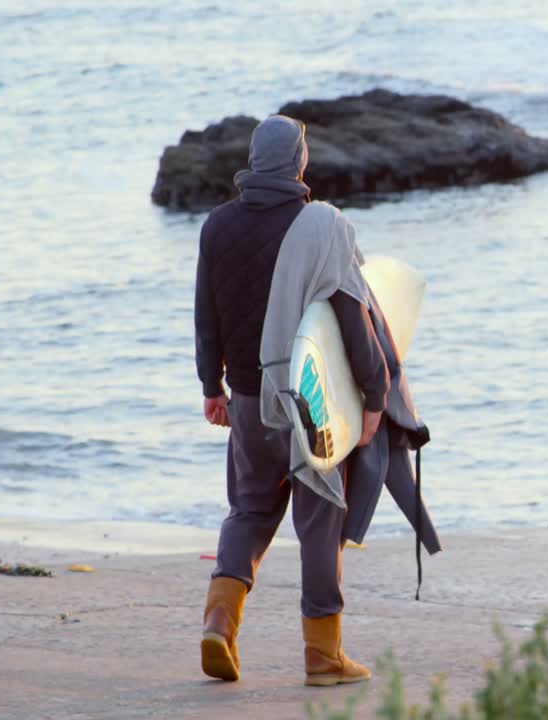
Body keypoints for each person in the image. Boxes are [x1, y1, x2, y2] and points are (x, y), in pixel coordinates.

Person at [193, 115, 384, 686]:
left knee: (249, 510)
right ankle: (323, 657)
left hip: (249, 402)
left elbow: (206, 314)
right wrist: (373, 396)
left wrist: (212, 386)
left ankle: (218, 625)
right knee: (320, 519)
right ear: (300, 162)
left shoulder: (217, 226)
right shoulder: (319, 227)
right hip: (308, 405)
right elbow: (351, 316)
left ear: (254, 159)